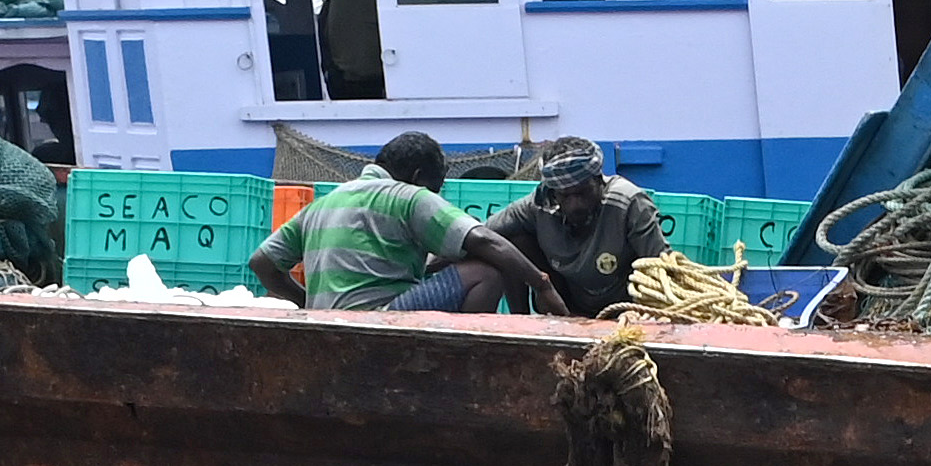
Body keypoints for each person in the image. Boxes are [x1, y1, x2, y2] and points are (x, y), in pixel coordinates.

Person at [247, 130, 554, 318]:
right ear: (419, 177)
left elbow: (261, 263)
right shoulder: (408, 197)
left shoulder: (324, 203)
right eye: (436, 188)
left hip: (327, 320)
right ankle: (458, 363)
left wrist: (308, 303)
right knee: (485, 271)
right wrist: (541, 284)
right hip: (381, 319)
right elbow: (486, 241)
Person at [506, 139, 670, 319]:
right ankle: (517, 324)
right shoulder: (540, 205)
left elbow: (661, 268)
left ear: (599, 181)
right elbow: (484, 235)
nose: (576, 205)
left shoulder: (629, 202)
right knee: (508, 244)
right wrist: (540, 284)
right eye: (566, 196)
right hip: (568, 306)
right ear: (554, 193)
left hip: (625, 310)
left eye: (583, 192)